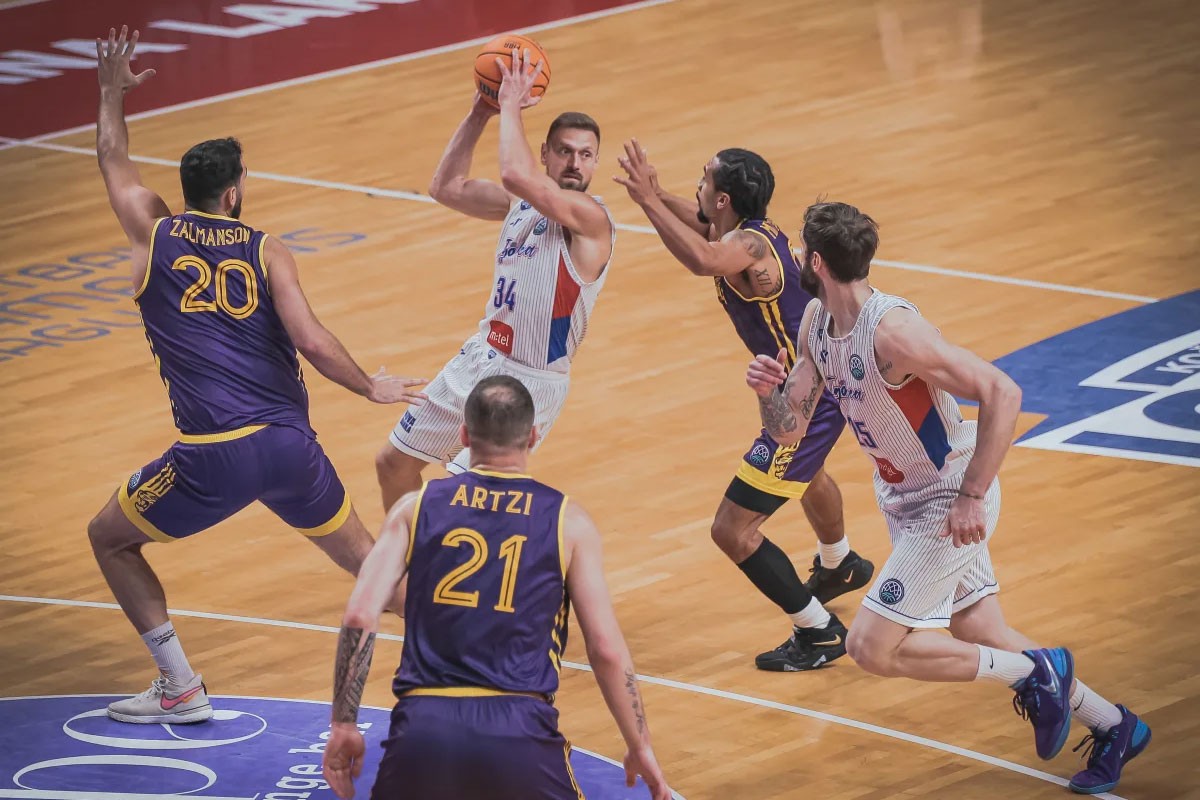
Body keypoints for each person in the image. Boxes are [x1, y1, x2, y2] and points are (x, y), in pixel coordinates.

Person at [746, 200, 1150, 794]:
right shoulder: (814, 325)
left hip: (948, 498)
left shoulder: (894, 332)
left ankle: (1036, 671)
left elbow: (1003, 392)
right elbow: (787, 428)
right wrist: (767, 390)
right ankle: (1116, 726)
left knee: (871, 647)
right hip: (905, 500)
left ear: (816, 261)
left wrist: (972, 494)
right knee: (977, 626)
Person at [86, 27, 425, 724]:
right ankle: (475, 652)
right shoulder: (268, 249)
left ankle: (179, 686)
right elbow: (310, 340)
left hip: (211, 456)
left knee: (110, 537)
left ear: (185, 194)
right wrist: (369, 387)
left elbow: (110, 155)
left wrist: (110, 91)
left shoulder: (151, 231)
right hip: (291, 451)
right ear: (235, 194)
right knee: (372, 568)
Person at [323, 376, 672, 800]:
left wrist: (343, 724)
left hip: (424, 726)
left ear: (465, 436)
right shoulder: (568, 521)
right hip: (519, 729)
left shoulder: (415, 507)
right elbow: (606, 650)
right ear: (534, 435)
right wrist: (640, 745)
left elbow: (360, 616)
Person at [613, 142, 872, 671]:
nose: (698, 187)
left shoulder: (746, 251)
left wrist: (646, 202)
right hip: (817, 377)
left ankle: (818, 631)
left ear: (724, 197)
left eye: (704, 180)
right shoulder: (751, 229)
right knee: (808, 474)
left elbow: (703, 258)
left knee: (732, 530)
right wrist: (658, 192)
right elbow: (710, 231)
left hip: (804, 401)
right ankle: (839, 562)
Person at [376, 48, 615, 510]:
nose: (574, 163)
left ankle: (453, 574)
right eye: (564, 151)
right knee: (392, 464)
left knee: (464, 496)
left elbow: (513, 171)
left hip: (529, 380)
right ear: (543, 153)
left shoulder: (591, 218)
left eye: (586, 155)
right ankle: (405, 566)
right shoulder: (517, 203)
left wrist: (509, 103)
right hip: (480, 357)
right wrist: (479, 111)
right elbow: (445, 187)